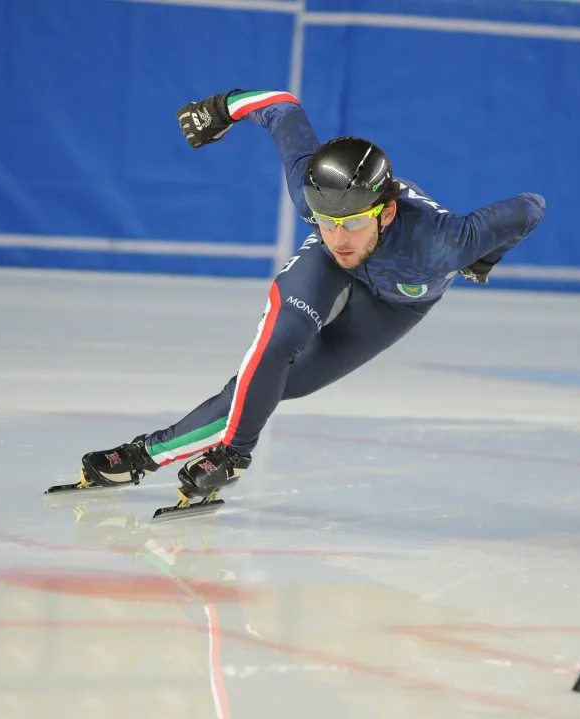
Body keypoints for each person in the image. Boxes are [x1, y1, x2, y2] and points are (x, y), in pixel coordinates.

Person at [60, 88, 547, 520]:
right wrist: (221, 109)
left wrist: (485, 257)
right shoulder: (315, 204)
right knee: (272, 350)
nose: (338, 236)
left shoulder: (446, 242)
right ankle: (196, 454)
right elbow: (281, 106)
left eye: (352, 222)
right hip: (332, 276)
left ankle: (200, 446)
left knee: (287, 385)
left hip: (398, 300)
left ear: (387, 211)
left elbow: (531, 206)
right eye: (324, 220)